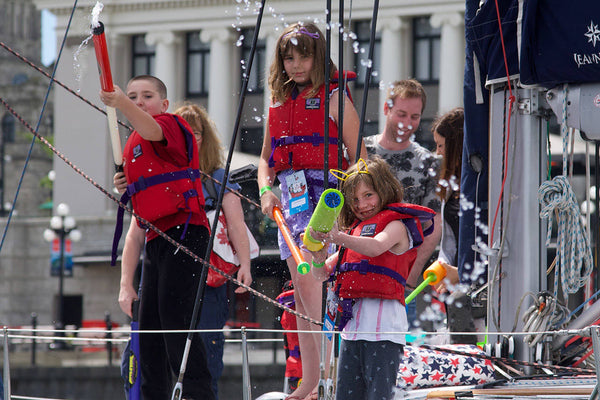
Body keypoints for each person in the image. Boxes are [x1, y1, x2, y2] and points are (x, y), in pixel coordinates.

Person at [114, 103, 254, 399]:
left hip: (210, 280)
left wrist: (245, 265)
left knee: (201, 346)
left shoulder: (217, 178)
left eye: (197, 132)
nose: (192, 137)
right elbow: (134, 233)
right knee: (163, 340)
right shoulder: (158, 176)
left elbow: (237, 224)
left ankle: (202, 395)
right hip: (167, 267)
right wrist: (126, 283)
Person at [257, 21, 366, 400]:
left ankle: (327, 377)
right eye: (289, 58)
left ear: (317, 57)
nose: (296, 65)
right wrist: (265, 190)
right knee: (302, 296)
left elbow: (360, 159)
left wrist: (346, 212)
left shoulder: (336, 99)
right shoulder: (277, 101)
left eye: (303, 56)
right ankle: (311, 380)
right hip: (288, 201)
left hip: (325, 198)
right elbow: (265, 161)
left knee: (313, 286)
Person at [100, 75, 215, 400]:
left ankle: (198, 394)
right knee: (148, 328)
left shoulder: (170, 124)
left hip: (185, 232)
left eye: (146, 96)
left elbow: (153, 130)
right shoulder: (133, 144)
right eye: (133, 96)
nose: (138, 102)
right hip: (156, 238)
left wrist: (120, 101)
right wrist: (127, 184)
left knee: (174, 320)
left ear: (163, 104)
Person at [304, 157, 435, 400]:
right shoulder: (352, 233)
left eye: (368, 195)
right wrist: (318, 255)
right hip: (352, 333)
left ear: (384, 190)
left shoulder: (396, 225)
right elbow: (320, 275)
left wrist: (336, 238)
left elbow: (376, 247)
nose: (361, 205)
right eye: (354, 199)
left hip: (384, 334)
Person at [363, 79, 442, 327]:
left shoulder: (429, 162)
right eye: (401, 114)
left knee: (400, 358)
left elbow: (434, 223)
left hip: (401, 279)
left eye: (415, 117)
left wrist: (412, 275)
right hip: (357, 272)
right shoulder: (360, 151)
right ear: (386, 109)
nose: (407, 124)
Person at [430, 107, 479, 345]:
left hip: (479, 288)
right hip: (457, 286)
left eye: (441, 145)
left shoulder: (480, 185)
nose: (437, 152)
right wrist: (443, 267)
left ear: (457, 145)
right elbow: (449, 242)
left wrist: (461, 275)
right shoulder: (449, 186)